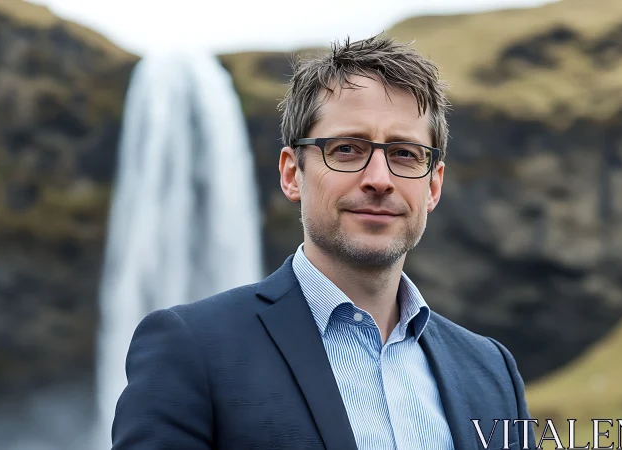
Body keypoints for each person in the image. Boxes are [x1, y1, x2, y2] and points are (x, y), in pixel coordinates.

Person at [111, 35, 537, 450]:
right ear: (292, 173)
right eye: (347, 149)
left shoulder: (491, 370)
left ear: (433, 186)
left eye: (405, 153)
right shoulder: (191, 348)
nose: (379, 180)